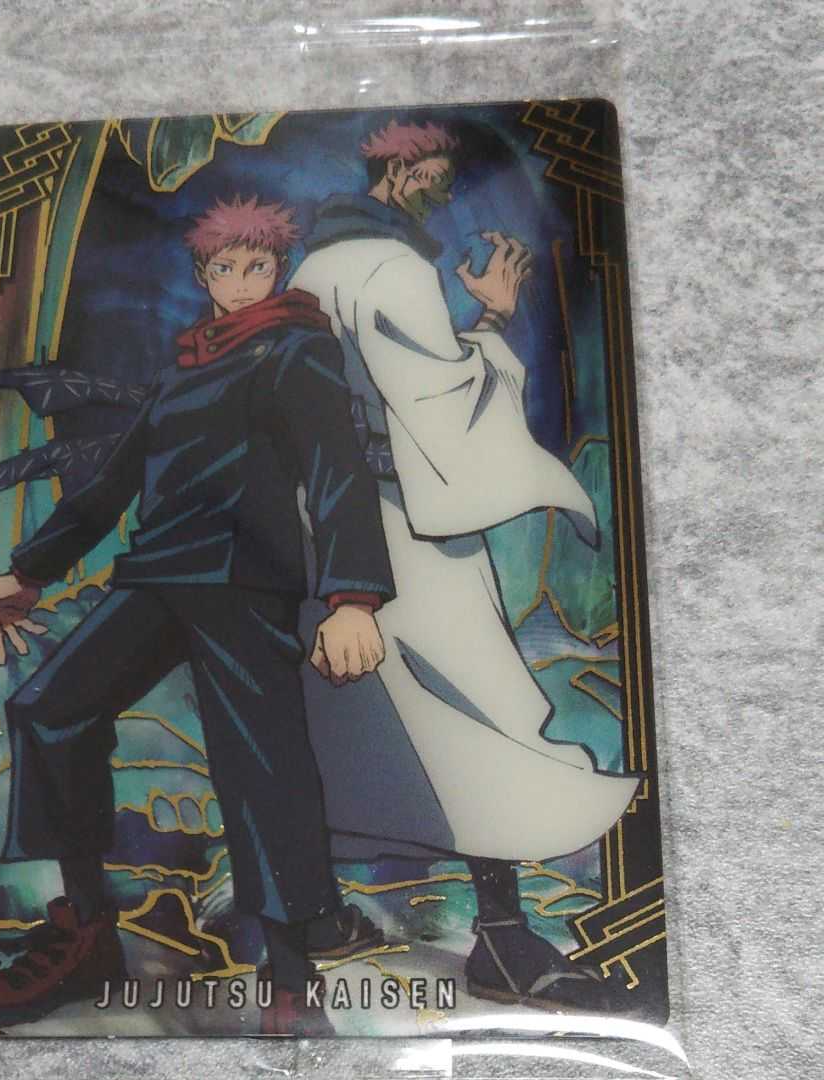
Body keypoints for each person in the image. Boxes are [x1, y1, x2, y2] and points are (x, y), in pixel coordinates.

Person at [0, 195, 395, 1035]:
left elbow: (337, 468)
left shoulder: (298, 347)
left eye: (256, 266)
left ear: (279, 270)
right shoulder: (185, 365)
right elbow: (113, 481)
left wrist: (353, 597)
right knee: (48, 709)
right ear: (203, 275)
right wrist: (28, 574)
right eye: (224, 268)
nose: (240, 282)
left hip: (242, 583)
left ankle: (291, 981)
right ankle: (88, 934)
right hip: (157, 573)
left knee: (259, 767)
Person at [289, 120, 640, 1011]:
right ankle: (505, 939)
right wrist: (492, 321)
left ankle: (312, 915)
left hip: (325, 523)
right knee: (481, 707)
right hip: (403, 524)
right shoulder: (392, 269)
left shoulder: (314, 267)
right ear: (399, 170)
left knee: (354, 716)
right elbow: (441, 410)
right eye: (434, 174)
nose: (442, 189)